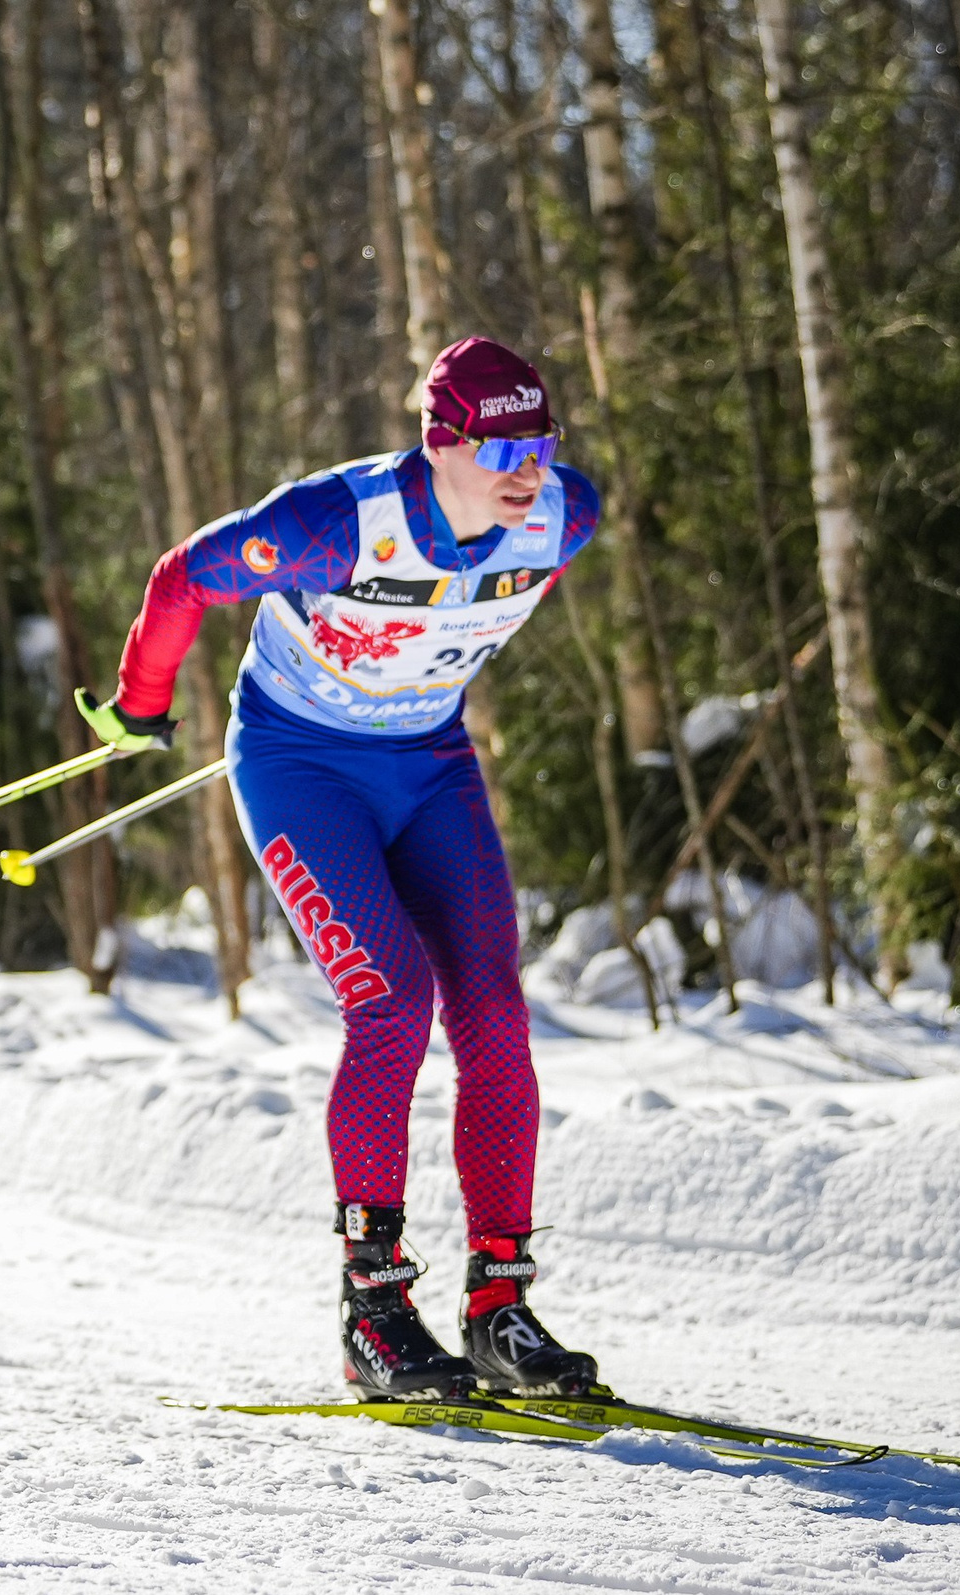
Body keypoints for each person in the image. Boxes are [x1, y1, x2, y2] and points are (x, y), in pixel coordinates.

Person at [79, 339, 605, 1402]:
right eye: (501, 446)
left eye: (539, 443)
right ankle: (374, 1310)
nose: (526, 471)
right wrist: (142, 703)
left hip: (429, 766)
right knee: (391, 1005)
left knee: (495, 1015)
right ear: (438, 443)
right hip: (299, 763)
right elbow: (182, 578)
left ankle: (499, 1306)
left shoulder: (564, 515)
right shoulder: (335, 524)